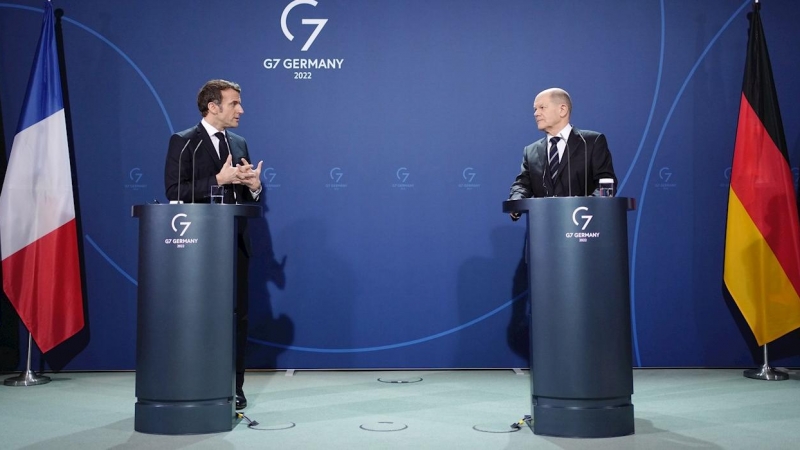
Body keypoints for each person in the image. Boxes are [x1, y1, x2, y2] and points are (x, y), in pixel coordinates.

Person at [164, 79, 263, 410]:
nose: (241, 109)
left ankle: (235, 386)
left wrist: (253, 186)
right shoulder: (184, 142)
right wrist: (217, 181)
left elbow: (245, 191)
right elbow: (175, 191)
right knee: (202, 316)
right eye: (234, 103)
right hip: (199, 248)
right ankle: (199, 381)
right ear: (213, 107)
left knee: (238, 317)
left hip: (234, 242)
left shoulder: (239, 142)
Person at [509, 87, 616, 220]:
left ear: (562, 110)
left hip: (584, 227)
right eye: (535, 109)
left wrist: (585, 207)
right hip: (543, 228)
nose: (536, 113)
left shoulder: (591, 142)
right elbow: (523, 184)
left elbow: (604, 183)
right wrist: (516, 201)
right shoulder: (531, 151)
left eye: (542, 107)